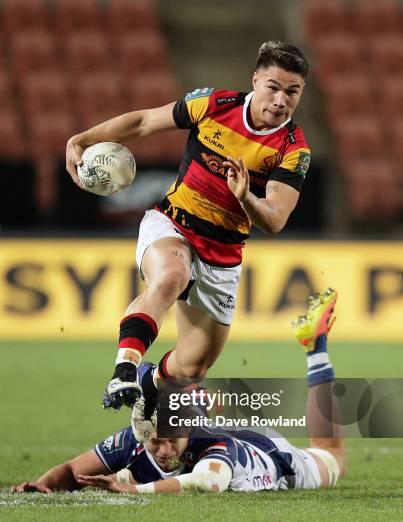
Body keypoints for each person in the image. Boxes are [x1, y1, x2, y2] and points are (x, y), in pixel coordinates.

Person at [65, 41, 312, 413]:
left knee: (191, 367)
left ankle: (147, 382)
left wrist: (245, 197)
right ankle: (124, 369)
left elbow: (275, 219)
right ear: (255, 81)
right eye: (273, 87)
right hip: (173, 224)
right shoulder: (214, 105)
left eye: (292, 92)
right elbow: (144, 121)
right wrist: (82, 139)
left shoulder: (294, 149)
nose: (281, 100)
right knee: (170, 277)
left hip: (224, 254)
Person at [11, 289, 345, 495]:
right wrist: (45, 485)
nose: (163, 448)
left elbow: (206, 484)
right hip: (215, 419)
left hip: (271, 457)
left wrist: (133, 490)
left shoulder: (212, 444)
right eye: (155, 439)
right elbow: (72, 471)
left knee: (332, 457)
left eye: (171, 438)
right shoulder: (135, 438)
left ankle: (315, 346)